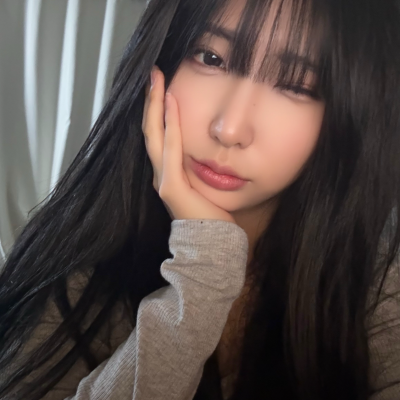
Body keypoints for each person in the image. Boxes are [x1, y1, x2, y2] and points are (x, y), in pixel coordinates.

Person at [0, 0, 399, 398]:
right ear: (161, 57)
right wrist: (201, 271)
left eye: (296, 85)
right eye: (211, 58)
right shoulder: (75, 270)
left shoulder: (375, 270)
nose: (229, 130)